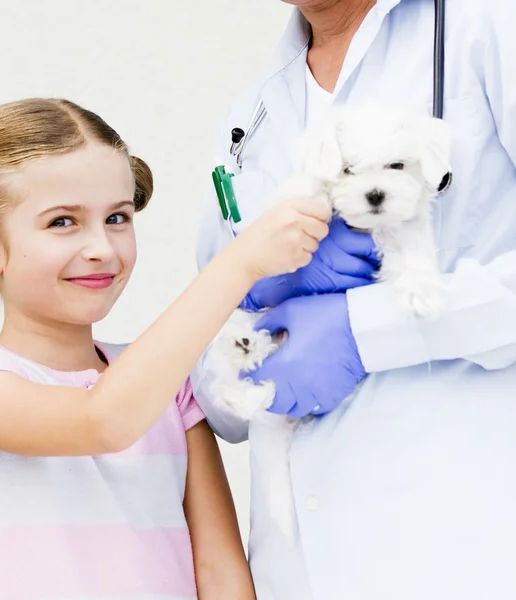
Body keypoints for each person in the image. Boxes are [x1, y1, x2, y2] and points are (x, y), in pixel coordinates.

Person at [0, 98, 331, 600]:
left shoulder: (170, 386)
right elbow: (103, 422)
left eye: (117, 217)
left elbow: (221, 575)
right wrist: (239, 263)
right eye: (62, 222)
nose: (102, 248)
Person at [191, 1, 516, 599]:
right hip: (296, 570)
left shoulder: (489, 26)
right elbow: (210, 388)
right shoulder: (250, 117)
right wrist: (247, 349)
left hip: (464, 543)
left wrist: (366, 329)